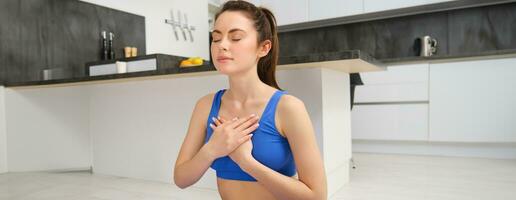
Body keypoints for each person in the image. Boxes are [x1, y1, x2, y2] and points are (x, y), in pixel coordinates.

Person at [173, 1, 327, 199]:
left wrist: (246, 162)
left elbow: (317, 195)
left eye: (235, 38)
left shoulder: (288, 108)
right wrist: (212, 149)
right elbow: (181, 178)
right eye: (216, 38)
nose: (222, 46)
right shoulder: (206, 105)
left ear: (263, 48)